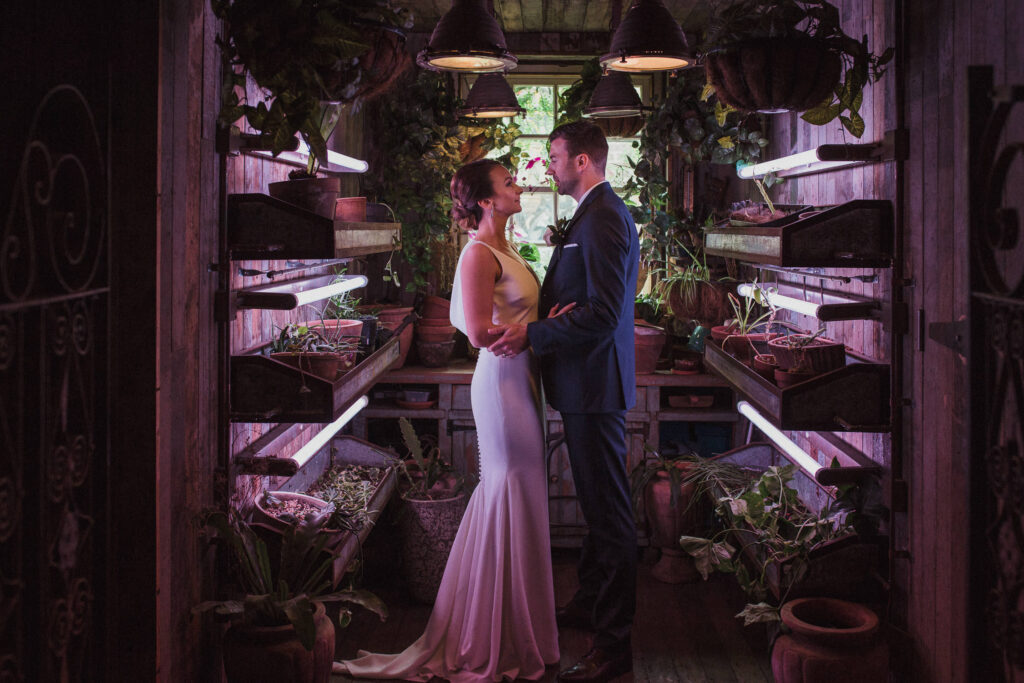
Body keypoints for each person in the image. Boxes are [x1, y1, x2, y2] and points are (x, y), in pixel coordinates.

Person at [334, 158, 571, 682]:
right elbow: (481, 334)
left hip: (522, 380)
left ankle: (516, 625)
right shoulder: (479, 254)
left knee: (522, 492)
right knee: (506, 487)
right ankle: (488, 633)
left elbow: (512, 320)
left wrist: (540, 326)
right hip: (503, 382)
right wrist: (535, 332)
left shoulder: (508, 247)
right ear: (486, 201)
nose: (519, 186)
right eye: (508, 183)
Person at [488, 120, 640, 683]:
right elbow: (585, 301)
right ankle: (588, 605)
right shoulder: (593, 215)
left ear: (582, 162)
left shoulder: (602, 218)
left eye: (554, 156)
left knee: (611, 518)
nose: (547, 166)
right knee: (601, 516)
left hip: (595, 388)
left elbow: (601, 314)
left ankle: (614, 647)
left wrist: (534, 335)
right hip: (586, 385)